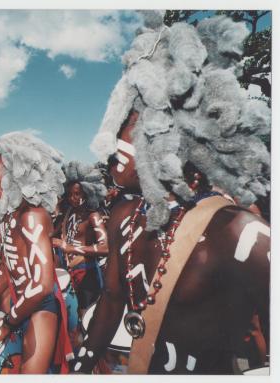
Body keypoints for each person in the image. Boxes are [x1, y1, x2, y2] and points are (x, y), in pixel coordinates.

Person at [75, 13, 270, 374]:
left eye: (128, 122)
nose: (112, 140)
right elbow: (113, 299)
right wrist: (82, 365)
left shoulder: (240, 233)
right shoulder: (124, 215)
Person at [0, 132, 71, 374]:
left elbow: (41, 285)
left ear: (15, 167)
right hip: (17, 307)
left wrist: (8, 323)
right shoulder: (6, 216)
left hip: (40, 311)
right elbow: (6, 267)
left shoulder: (31, 216)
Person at [52, 161, 108, 311]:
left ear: (88, 192)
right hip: (68, 272)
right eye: (70, 194)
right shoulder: (68, 212)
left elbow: (105, 248)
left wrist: (71, 248)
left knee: (87, 316)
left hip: (87, 272)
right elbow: (52, 235)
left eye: (77, 194)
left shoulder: (93, 215)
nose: (73, 198)